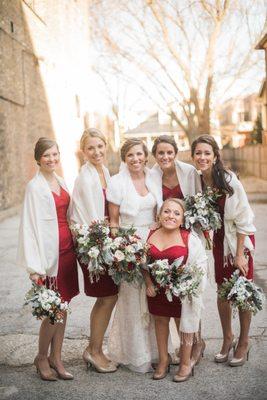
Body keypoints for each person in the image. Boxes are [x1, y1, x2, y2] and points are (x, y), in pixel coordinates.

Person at [17, 137, 79, 381]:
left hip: (67, 253)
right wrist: (34, 267)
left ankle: (57, 357)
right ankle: (42, 357)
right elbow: (29, 227)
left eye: (55, 154)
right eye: (46, 156)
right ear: (38, 159)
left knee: (63, 308)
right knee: (53, 310)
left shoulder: (60, 181)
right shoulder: (35, 187)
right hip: (48, 258)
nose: (51, 159)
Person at [191, 135, 256, 366]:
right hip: (220, 241)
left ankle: (244, 341)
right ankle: (228, 337)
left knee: (242, 291)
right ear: (193, 156)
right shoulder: (198, 182)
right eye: (198, 153)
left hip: (239, 239)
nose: (202, 157)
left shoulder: (229, 181)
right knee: (222, 292)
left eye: (207, 153)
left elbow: (244, 220)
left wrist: (239, 254)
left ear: (215, 156)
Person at [150, 135, 205, 366]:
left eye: (169, 152)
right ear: (155, 155)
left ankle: (197, 342)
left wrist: (194, 235)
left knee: (192, 292)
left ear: (176, 153)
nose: (165, 157)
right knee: (169, 300)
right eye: (161, 153)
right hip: (165, 234)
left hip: (187, 236)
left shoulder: (189, 172)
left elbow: (199, 203)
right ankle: (173, 352)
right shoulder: (151, 175)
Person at [106, 138, 159, 373]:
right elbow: (114, 221)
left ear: (145, 156)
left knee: (154, 296)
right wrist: (121, 249)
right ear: (124, 159)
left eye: (139, 154)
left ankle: (159, 350)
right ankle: (134, 352)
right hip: (129, 243)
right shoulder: (117, 183)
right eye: (130, 155)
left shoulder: (154, 177)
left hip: (154, 239)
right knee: (131, 298)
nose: (135, 159)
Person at [143, 198, 207, 382]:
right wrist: (148, 283)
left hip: (181, 292)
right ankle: (163, 360)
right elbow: (143, 264)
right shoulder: (150, 234)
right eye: (167, 211)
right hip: (157, 291)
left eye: (176, 213)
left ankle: (185, 362)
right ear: (159, 214)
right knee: (160, 322)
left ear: (182, 219)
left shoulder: (189, 238)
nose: (171, 216)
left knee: (183, 324)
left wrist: (188, 287)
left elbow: (200, 266)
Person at [70, 128, 118, 373]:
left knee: (109, 296)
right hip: (92, 246)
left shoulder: (105, 172)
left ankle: (96, 348)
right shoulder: (85, 177)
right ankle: (93, 350)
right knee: (106, 296)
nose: (96, 152)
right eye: (91, 148)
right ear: (83, 151)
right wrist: (101, 247)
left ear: (105, 146)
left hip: (105, 242)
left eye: (100, 146)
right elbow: (90, 219)